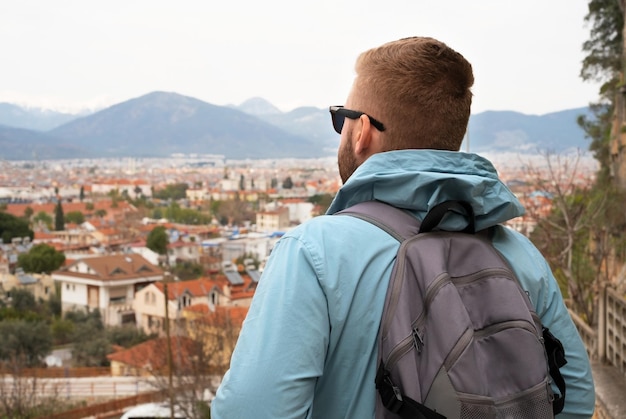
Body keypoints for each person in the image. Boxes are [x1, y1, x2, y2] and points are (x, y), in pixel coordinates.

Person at [211, 36, 595, 418]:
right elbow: (574, 398)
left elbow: (250, 411)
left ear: (362, 131)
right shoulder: (518, 252)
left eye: (341, 118)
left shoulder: (314, 253)